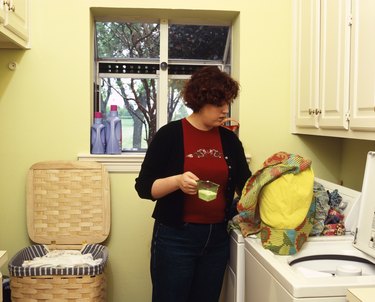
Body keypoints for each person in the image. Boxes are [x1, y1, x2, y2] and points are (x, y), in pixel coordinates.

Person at [135, 66, 251, 302]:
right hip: (175, 237)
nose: (225, 110)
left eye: (227, 103)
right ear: (200, 101)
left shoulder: (230, 140)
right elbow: (144, 187)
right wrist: (177, 181)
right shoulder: (170, 135)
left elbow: (246, 186)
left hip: (218, 237)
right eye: (219, 103)